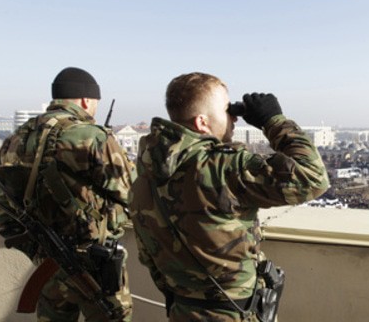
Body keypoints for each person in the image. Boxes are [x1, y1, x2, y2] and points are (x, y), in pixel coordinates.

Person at [129, 72, 329, 321]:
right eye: (228, 110)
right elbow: (313, 178)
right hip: (235, 313)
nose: (234, 117)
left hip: (183, 311)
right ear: (202, 123)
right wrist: (273, 120)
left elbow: (148, 256)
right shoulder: (223, 167)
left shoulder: (143, 177)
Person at [0, 67, 136, 321]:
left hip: (48, 264)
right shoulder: (93, 137)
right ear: (85, 101)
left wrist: (37, 249)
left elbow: (1, 209)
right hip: (96, 263)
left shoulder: (16, 138)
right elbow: (132, 196)